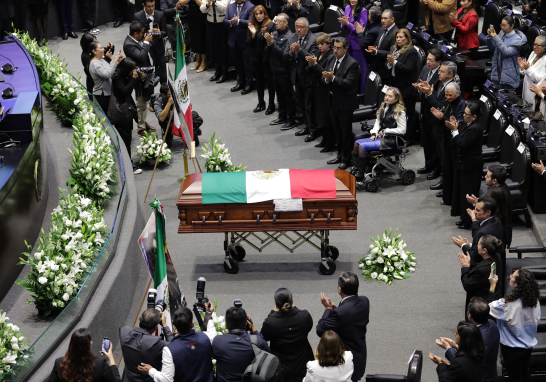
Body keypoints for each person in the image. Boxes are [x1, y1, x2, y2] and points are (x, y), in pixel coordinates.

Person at [137, 303, 217, 382]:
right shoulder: (207, 337)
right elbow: (212, 331)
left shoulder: (169, 350)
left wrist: (150, 370)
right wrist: (209, 314)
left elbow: (166, 380)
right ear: (192, 324)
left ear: (173, 322)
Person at [488, 268, 541, 382]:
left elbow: (489, 307)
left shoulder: (507, 304)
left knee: (515, 378)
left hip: (511, 350)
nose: (510, 276)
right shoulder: (535, 300)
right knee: (524, 372)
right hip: (528, 346)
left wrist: (492, 286)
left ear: (516, 284)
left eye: (512, 276)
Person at [316, 272, 370, 382]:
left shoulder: (339, 313)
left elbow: (320, 330)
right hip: (360, 356)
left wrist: (328, 309)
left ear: (339, 290)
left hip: (345, 363)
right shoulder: (365, 301)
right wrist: (336, 309)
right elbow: (347, 317)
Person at [414, 62, 457, 196]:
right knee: (440, 155)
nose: (438, 73)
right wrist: (430, 91)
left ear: (450, 74)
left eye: (442, 71)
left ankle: (446, 184)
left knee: (445, 158)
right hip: (437, 126)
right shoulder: (441, 83)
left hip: (444, 128)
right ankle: (443, 180)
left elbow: (441, 107)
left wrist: (428, 95)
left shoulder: (452, 88)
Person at [436, 297, 500, 382]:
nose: (455, 334)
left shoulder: (480, 339)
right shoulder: (492, 324)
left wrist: (448, 349)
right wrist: (456, 346)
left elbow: (466, 363)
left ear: (469, 316)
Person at [351, 87, 406, 180]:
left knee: (361, 146)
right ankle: (356, 168)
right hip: (381, 137)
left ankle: (360, 173)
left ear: (396, 99)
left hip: (391, 140)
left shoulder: (400, 112)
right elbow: (377, 123)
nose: (387, 98)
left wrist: (386, 130)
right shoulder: (384, 107)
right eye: (386, 95)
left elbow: (402, 130)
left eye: (390, 96)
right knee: (356, 143)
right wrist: (374, 133)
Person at [322, 37, 360, 170]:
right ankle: (339, 155)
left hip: (345, 103)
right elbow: (324, 76)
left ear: (345, 49)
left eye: (339, 48)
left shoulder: (352, 64)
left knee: (345, 132)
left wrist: (332, 78)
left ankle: (346, 159)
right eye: (334, 47)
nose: (335, 50)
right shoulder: (332, 59)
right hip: (333, 101)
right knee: (336, 130)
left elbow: (349, 84)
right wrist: (327, 79)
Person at [260, 288, 314, 382]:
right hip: (303, 365)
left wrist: (273, 313)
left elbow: (263, 338)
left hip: (281, 370)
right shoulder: (304, 316)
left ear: (275, 304)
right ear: (292, 300)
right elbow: (308, 327)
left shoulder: (270, 322)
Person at [445, 102, 483, 229]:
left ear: (474, 117)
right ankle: (463, 217)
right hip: (464, 164)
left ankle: (469, 220)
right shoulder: (468, 124)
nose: (464, 116)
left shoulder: (475, 128)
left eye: (466, 114)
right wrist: (456, 127)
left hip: (471, 166)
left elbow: (461, 144)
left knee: (468, 193)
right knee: (462, 192)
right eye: (464, 113)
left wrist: (454, 130)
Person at [212, 306, 270, 382]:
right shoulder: (257, 341)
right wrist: (253, 330)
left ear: (226, 325)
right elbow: (268, 353)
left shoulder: (218, 341)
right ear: (246, 323)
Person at [430, 82, 466, 206]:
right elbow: (447, 117)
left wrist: (451, 123)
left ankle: (452, 196)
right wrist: (441, 117)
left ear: (457, 94)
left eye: (450, 95)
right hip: (446, 139)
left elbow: (462, 121)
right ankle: (447, 194)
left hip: (456, 141)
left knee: (452, 170)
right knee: (446, 167)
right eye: (446, 95)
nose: (448, 97)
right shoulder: (449, 103)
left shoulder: (462, 104)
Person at [283, 18, 318, 138]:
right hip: (296, 77)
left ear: (307, 28)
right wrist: (291, 52)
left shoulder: (313, 39)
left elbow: (312, 58)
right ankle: (307, 127)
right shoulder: (291, 37)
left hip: (308, 77)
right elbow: (285, 56)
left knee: (309, 106)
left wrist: (300, 50)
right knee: (301, 104)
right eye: (297, 26)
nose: (298, 29)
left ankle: (313, 130)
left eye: (301, 27)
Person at [119, 309, 174, 382]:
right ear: (156, 327)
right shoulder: (155, 343)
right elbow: (174, 347)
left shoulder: (124, 331)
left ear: (139, 318)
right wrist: (164, 325)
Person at [48, 328, 121, 382]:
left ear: (71, 345)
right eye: (91, 340)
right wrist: (111, 358)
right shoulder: (100, 364)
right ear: (89, 345)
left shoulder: (59, 363)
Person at [123, 21, 157, 137]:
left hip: (146, 73)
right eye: (143, 33)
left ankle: (143, 123)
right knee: (141, 103)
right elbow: (141, 56)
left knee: (145, 101)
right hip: (139, 77)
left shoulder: (136, 39)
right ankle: (141, 128)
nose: (145, 34)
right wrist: (146, 42)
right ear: (136, 33)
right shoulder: (128, 44)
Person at [386, 28, 419, 144]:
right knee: (397, 113)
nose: (398, 39)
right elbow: (391, 66)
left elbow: (408, 69)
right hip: (396, 87)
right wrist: (390, 64)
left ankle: (409, 138)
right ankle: (398, 135)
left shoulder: (411, 51)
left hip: (407, 88)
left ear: (407, 39)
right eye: (397, 37)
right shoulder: (394, 49)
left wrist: (394, 62)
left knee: (409, 114)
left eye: (401, 37)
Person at [112, 58, 144, 175]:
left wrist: (137, 78)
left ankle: (127, 162)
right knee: (125, 140)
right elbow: (125, 91)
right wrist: (134, 79)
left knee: (128, 139)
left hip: (127, 110)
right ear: (126, 69)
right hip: (121, 112)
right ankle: (127, 166)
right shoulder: (117, 77)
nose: (134, 71)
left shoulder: (123, 75)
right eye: (132, 69)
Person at [458, 235, 503, 317]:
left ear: (484, 250)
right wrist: (470, 262)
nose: (476, 246)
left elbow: (467, 285)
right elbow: (481, 266)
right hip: (494, 294)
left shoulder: (481, 270)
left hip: (481, 302)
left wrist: (465, 267)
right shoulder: (496, 256)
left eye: (478, 245)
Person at [467, 165, 513, 245]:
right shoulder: (501, 187)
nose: (485, 177)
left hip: (495, 234)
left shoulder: (497, 194)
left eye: (487, 176)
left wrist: (474, 219)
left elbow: (488, 210)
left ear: (494, 181)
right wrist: (476, 201)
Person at [264, 13, 296, 128]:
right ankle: (282, 117)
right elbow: (266, 52)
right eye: (276, 21)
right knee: (280, 95)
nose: (276, 23)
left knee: (288, 96)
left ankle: (291, 120)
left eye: (279, 21)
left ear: (286, 23)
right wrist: (268, 43)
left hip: (284, 71)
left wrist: (272, 43)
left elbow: (283, 55)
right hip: (274, 69)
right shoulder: (275, 34)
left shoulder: (290, 36)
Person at [452, 197, 505, 263]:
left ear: (488, 212)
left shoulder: (482, 232)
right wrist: (471, 245)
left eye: (478, 210)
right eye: (475, 208)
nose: (474, 212)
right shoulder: (497, 220)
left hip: (486, 268)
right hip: (499, 263)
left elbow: (474, 256)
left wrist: (463, 245)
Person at [416, 49, 442, 179]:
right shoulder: (425, 69)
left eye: (431, 60)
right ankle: (428, 165)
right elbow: (420, 80)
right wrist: (419, 87)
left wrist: (427, 92)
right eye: (427, 59)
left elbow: (439, 96)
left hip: (435, 113)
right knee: (426, 140)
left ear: (439, 62)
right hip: (425, 110)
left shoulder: (441, 75)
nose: (428, 62)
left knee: (434, 142)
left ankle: (436, 169)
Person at [306, 33, 335, 152]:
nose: (320, 46)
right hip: (315, 89)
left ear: (328, 44)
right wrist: (310, 65)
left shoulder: (331, 56)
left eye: (322, 44)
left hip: (325, 90)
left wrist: (315, 65)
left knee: (326, 117)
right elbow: (309, 70)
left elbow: (325, 73)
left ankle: (329, 143)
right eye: (318, 44)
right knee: (319, 115)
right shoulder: (317, 54)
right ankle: (324, 140)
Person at [247, 5, 276, 114]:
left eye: (261, 13)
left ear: (265, 14)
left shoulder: (271, 25)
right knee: (259, 81)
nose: (259, 16)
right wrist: (254, 34)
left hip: (267, 58)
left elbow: (271, 43)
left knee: (270, 81)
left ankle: (271, 104)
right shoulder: (252, 26)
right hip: (256, 58)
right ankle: (260, 103)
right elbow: (248, 43)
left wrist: (264, 35)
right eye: (256, 14)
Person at [487, 16, 527, 90]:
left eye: (504, 25)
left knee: (508, 99)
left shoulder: (517, 39)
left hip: (510, 75)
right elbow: (492, 48)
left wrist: (495, 37)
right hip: (498, 71)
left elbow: (506, 52)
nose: (502, 27)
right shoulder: (502, 33)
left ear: (512, 26)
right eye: (501, 25)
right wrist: (490, 37)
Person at [224, 0, 255, 94]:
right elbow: (225, 20)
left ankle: (249, 84)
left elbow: (251, 21)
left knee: (247, 64)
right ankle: (240, 82)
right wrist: (230, 22)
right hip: (233, 40)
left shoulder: (251, 6)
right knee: (237, 63)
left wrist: (238, 21)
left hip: (245, 41)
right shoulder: (230, 6)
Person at [134, 0, 168, 83]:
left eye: (153, 5)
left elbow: (165, 32)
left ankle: (164, 93)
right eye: (149, 6)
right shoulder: (137, 16)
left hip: (159, 49)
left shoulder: (160, 14)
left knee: (163, 76)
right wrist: (147, 33)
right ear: (143, 5)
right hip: (145, 50)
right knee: (148, 77)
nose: (151, 8)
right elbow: (135, 34)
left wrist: (160, 33)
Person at [340, 0, 368, 94]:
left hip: (357, 44)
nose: (352, 0)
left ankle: (360, 94)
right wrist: (344, 23)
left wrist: (348, 24)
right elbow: (342, 26)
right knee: (347, 68)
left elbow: (359, 30)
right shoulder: (347, 8)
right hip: (348, 43)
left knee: (360, 70)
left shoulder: (364, 11)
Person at [89, 42, 124, 115]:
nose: (103, 49)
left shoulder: (101, 60)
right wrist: (114, 61)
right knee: (103, 119)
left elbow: (110, 69)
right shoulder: (95, 64)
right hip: (101, 96)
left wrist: (117, 62)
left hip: (107, 93)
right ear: (94, 51)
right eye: (100, 48)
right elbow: (107, 74)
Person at [365, 9, 398, 86]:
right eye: (382, 18)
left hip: (386, 70)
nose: (383, 21)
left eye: (385, 18)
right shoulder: (383, 28)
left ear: (392, 19)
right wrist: (373, 48)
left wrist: (376, 52)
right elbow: (377, 43)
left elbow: (392, 53)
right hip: (377, 66)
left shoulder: (395, 33)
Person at [201, 0, 230, 82]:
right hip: (211, 24)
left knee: (223, 49)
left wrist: (215, 1)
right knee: (214, 48)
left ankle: (225, 73)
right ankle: (217, 71)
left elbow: (223, 8)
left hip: (222, 24)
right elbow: (202, 9)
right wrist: (208, 4)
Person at [519, 36, 546, 105]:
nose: (534, 47)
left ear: (544, 47)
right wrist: (523, 68)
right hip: (526, 89)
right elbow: (526, 71)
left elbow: (541, 79)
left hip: (534, 93)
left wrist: (528, 69)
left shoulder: (545, 60)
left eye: (537, 45)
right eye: (534, 44)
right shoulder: (533, 54)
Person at [355, 6, 382, 70]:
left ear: (370, 17)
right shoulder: (379, 25)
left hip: (373, 62)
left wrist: (359, 33)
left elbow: (362, 45)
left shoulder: (373, 31)